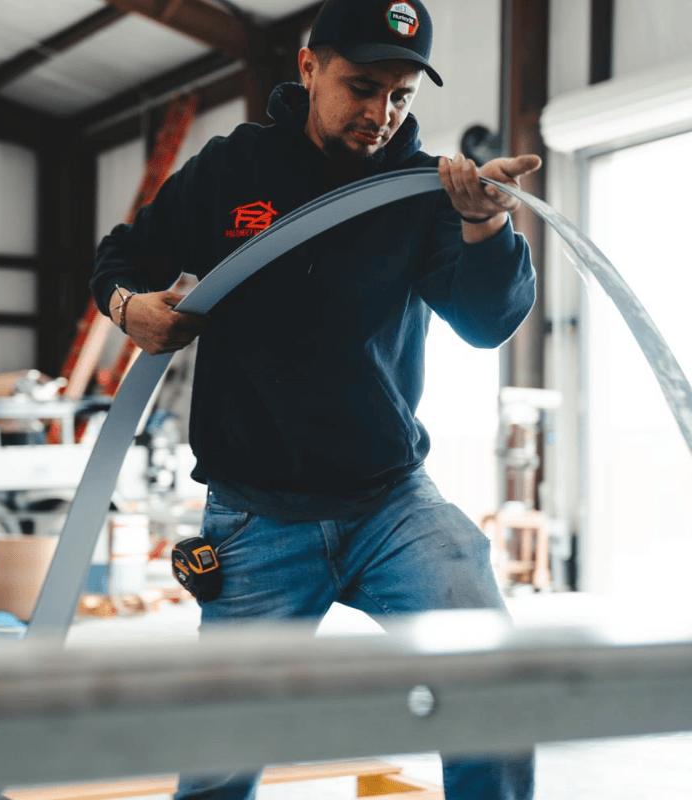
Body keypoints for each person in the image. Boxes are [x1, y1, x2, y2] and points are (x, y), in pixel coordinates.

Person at [90, 0, 539, 797]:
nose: (380, 113)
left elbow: (486, 322)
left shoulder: (422, 190)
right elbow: (124, 253)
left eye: (400, 94)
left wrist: (484, 231)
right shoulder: (232, 170)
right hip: (257, 515)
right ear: (309, 68)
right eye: (361, 86)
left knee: (491, 678)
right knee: (221, 755)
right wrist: (131, 308)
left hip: (391, 504)